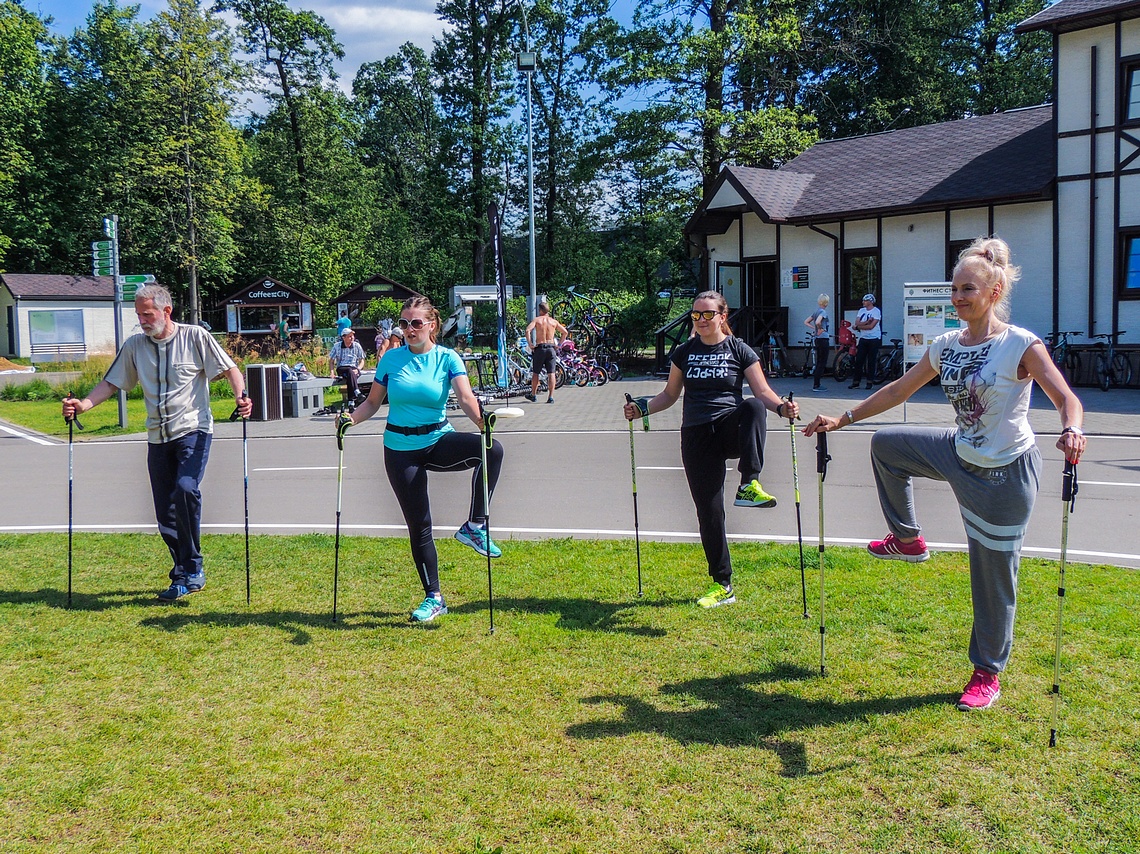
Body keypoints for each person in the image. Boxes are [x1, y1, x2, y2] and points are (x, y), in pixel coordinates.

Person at [803, 236, 1086, 712]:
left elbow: (1065, 399)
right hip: (958, 453)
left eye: (968, 290)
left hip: (1005, 474)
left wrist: (1072, 429)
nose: (958, 298)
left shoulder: (1020, 344)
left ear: (993, 292)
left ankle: (986, 673)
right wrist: (842, 418)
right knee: (888, 446)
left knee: (992, 580)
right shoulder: (945, 344)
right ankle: (908, 538)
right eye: (954, 289)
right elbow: (898, 391)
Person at [61, 285, 252, 601]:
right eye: (138, 315)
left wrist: (241, 397)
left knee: (187, 488)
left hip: (194, 430)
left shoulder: (196, 338)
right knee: (165, 513)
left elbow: (230, 369)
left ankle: (192, 568)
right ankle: (183, 572)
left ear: (166, 311)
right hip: (157, 437)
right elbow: (111, 382)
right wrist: (83, 405)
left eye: (147, 314)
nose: (142, 321)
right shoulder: (135, 346)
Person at [623, 290, 800, 609]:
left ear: (722, 316)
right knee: (710, 513)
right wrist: (642, 408)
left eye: (707, 314)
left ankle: (749, 483)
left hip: (730, 428)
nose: (701, 320)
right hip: (696, 435)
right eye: (695, 315)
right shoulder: (684, 351)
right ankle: (723, 585)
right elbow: (669, 395)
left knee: (754, 407)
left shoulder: (739, 349)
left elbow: (762, 391)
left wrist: (783, 408)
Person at [337, 296, 505, 623]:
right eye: (404, 323)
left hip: (438, 439)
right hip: (400, 449)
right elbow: (372, 403)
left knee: (492, 450)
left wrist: (482, 422)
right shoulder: (391, 360)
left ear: (432, 325)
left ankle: (475, 525)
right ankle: (434, 597)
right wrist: (350, 419)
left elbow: (466, 398)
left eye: (416, 323)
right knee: (420, 525)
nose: (409, 329)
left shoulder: (447, 358)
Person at [524, 299, 571, 403]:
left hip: (540, 348)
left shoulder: (537, 320)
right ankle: (550, 397)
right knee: (551, 373)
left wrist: (530, 344)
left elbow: (527, 330)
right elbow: (565, 332)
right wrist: (559, 345)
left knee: (536, 373)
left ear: (540, 310)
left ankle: (533, 395)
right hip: (551, 348)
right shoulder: (553, 321)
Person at [849, 293, 882, 390]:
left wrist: (859, 327)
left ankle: (869, 382)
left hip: (874, 338)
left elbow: (871, 326)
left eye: (865, 300)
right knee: (859, 360)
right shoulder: (861, 310)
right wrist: (866, 322)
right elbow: (857, 322)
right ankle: (856, 382)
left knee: (871, 361)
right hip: (863, 338)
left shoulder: (876, 311)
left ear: (870, 302)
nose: (863, 302)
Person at [329, 327, 366, 403]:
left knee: (351, 376)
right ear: (343, 337)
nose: (352, 338)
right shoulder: (337, 346)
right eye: (349, 336)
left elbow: (362, 360)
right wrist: (332, 372)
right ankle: (357, 392)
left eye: (352, 336)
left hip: (354, 368)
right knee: (350, 371)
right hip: (342, 368)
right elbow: (331, 361)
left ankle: (351, 404)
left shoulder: (357, 345)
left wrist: (358, 369)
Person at [804, 293, 831, 391]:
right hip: (823, 338)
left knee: (819, 360)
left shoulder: (815, 312)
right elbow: (818, 322)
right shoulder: (823, 312)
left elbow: (806, 321)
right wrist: (820, 329)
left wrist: (815, 330)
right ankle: (817, 384)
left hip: (817, 339)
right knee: (822, 361)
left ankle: (816, 383)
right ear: (826, 302)